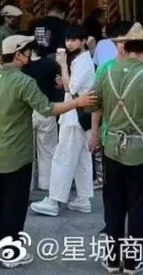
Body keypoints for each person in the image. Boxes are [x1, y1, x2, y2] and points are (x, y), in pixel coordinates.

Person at [0, 35, 97, 270]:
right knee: (13, 207)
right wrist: (77, 103)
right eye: (27, 51)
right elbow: (47, 108)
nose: (30, 55)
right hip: (17, 156)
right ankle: (10, 254)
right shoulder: (23, 82)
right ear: (17, 55)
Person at [92, 23, 143, 274]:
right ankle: (132, 261)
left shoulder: (106, 72)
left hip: (111, 147)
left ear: (125, 47)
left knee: (113, 205)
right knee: (140, 206)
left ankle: (112, 259)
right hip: (139, 151)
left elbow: (93, 103)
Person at [31, 25, 96, 217]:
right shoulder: (82, 60)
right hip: (78, 116)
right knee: (81, 158)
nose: (70, 43)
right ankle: (83, 198)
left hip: (74, 117)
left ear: (83, 42)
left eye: (74, 40)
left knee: (63, 157)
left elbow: (70, 89)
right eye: (68, 40)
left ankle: (54, 200)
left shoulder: (81, 62)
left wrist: (63, 66)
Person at [23, 47, 63, 192]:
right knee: (48, 151)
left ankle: (26, 186)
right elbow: (59, 85)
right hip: (46, 111)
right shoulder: (51, 64)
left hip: (26, 112)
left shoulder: (21, 66)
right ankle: (48, 186)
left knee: (26, 153)